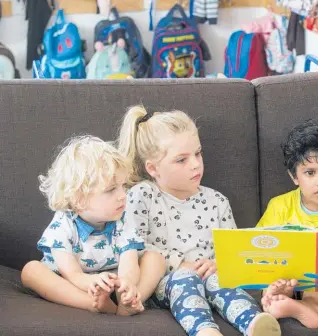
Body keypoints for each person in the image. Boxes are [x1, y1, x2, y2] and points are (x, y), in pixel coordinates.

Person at [118, 106, 281, 336]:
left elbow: (235, 253)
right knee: (186, 277)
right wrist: (178, 264)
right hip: (165, 283)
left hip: (211, 279)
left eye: (198, 153)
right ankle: (205, 331)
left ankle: (255, 324)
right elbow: (134, 246)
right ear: (153, 168)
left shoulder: (217, 201)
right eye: (181, 160)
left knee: (219, 282)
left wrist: (219, 265)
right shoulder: (142, 195)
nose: (195, 164)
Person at [21, 135, 166, 315]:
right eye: (112, 189)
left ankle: (128, 303)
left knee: (155, 258)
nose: (123, 195)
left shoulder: (122, 218)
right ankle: (91, 303)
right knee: (31, 270)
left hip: (115, 281)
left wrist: (127, 284)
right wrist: (90, 282)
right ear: (79, 199)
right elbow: (72, 274)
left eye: (123, 186)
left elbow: (129, 262)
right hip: (75, 283)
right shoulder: (63, 223)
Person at [257, 119, 318, 329]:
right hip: (284, 275)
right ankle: (277, 299)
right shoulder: (280, 205)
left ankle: (309, 308)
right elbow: (260, 246)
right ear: (294, 176)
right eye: (310, 173)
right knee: (275, 284)